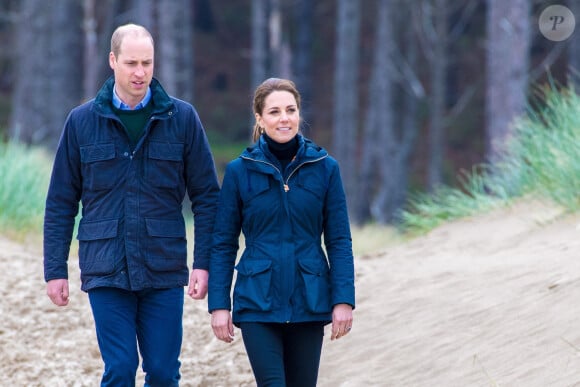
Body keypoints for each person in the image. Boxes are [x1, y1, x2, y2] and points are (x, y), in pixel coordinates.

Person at [43, 23, 220, 386]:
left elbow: (207, 197)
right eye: (131, 63)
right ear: (113, 61)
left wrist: (204, 264)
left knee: (162, 370)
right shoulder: (81, 122)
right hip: (105, 265)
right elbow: (61, 201)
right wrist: (55, 269)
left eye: (147, 63)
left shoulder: (182, 119)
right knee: (120, 368)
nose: (140, 72)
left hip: (163, 266)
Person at [208, 77, 355, 386]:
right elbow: (223, 242)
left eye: (291, 110)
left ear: (299, 114)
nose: (284, 118)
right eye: (274, 112)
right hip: (257, 302)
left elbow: (339, 240)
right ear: (260, 119)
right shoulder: (239, 171)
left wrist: (343, 300)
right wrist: (219, 304)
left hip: (309, 299)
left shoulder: (326, 168)